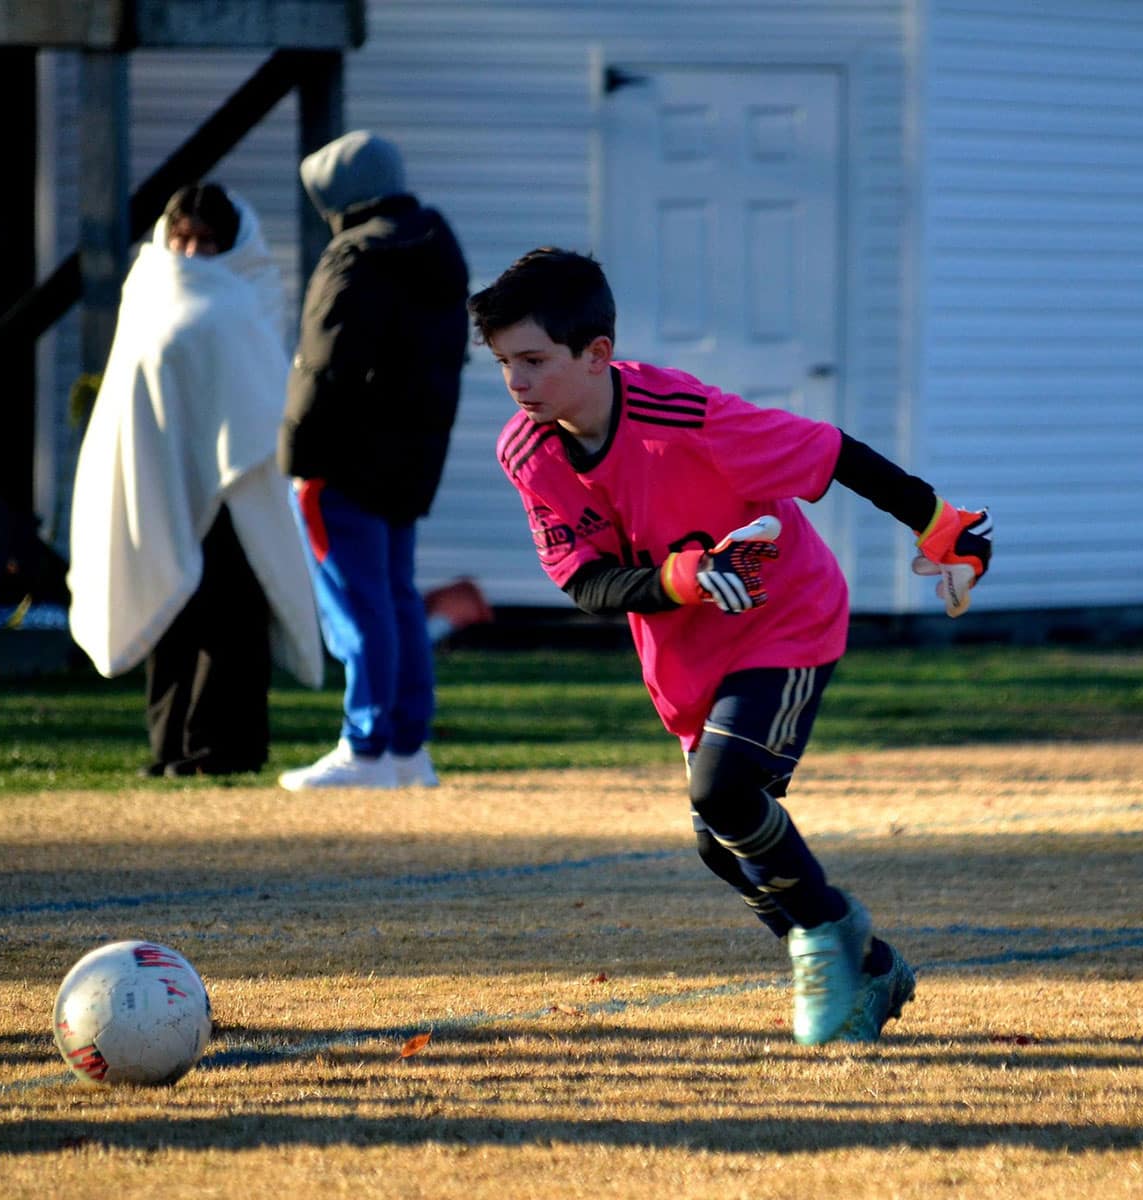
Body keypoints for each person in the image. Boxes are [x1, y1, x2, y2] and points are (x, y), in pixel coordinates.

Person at [471, 248, 993, 1045]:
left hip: (788, 618)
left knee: (723, 793)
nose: (517, 381)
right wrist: (682, 578)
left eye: (534, 360)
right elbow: (587, 582)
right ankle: (873, 964)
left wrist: (935, 521)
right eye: (505, 363)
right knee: (720, 843)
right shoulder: (529, 452)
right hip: (688, 652)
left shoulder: (691, 417)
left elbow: (831, 451)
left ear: (597, 353)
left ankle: (824, 939)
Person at [68, 183, 324, 776]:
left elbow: (256, 390)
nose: (188, 254)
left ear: (229, 244)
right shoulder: (146, 287)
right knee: (168, 609)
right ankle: (169, 747)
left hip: (236, 490)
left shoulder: (249, 294)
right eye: (181, 238)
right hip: (160, 480)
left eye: (205, 242)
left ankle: (223, 748)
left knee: (229, 621)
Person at [277, 131, 470, 791]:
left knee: (358, 603)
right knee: (395, 597)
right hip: (412, 458)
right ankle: (407, 749)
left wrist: (298, 455)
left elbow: (321, 368)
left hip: (344, 458)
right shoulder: (437, 249)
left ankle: (364, 747)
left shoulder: (353, 254)